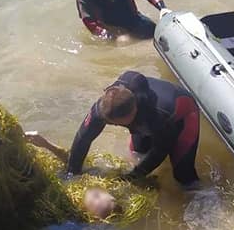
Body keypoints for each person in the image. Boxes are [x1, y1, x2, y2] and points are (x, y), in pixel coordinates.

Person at [67, 71, 200, 186]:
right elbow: (83, 137)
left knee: (182, 175)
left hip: (185, 114)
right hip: (144, 117)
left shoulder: (157, 115)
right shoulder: (105, 106)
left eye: (118, 124)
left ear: (134, 111)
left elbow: (161, 150)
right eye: (111, 123)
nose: (115, 126)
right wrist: (72, 172)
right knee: (138, 154)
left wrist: (131, 178)